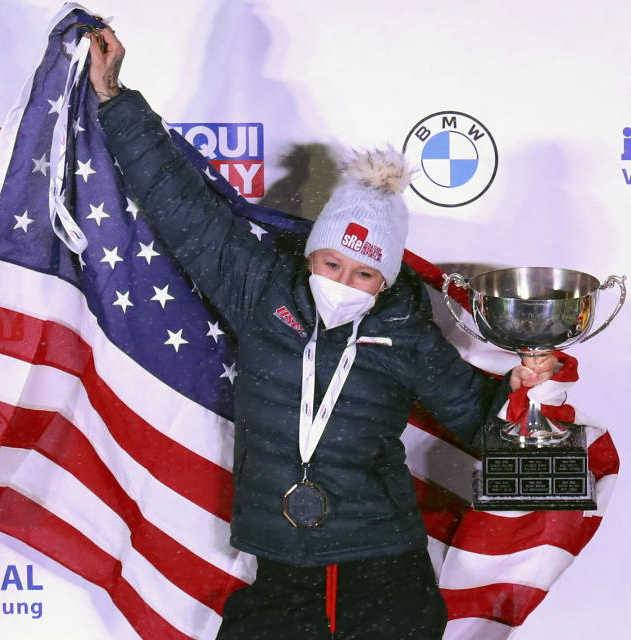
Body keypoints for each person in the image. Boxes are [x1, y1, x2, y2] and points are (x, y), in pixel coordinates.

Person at [86, 27, 557, 640]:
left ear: (385, 282)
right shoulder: (259, 290)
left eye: (364, 274)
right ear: (310, 254)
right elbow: (181, 207)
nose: (342, 281)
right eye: (331, 263)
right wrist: (114, 96)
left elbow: (481, 420)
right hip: (282, 562)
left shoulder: (405, 332)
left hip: (383, 566)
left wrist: (523, 390)